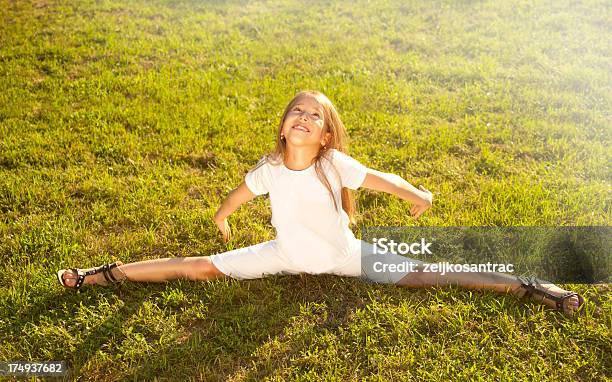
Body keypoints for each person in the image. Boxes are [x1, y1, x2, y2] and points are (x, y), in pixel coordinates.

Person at [57, 90, 584, 315]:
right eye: (297, 112)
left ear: (327, 134)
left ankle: (532, 285)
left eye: (316, 116)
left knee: (434, 272)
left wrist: (416, 194)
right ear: (284, 126)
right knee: (197, 268)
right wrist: (222, 215)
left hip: (343, 257)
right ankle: (98, 274)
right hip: (284, 255)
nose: (305, 118)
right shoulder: (269, 169)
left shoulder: (334, 165)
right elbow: (241, 192)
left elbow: (380, 177)